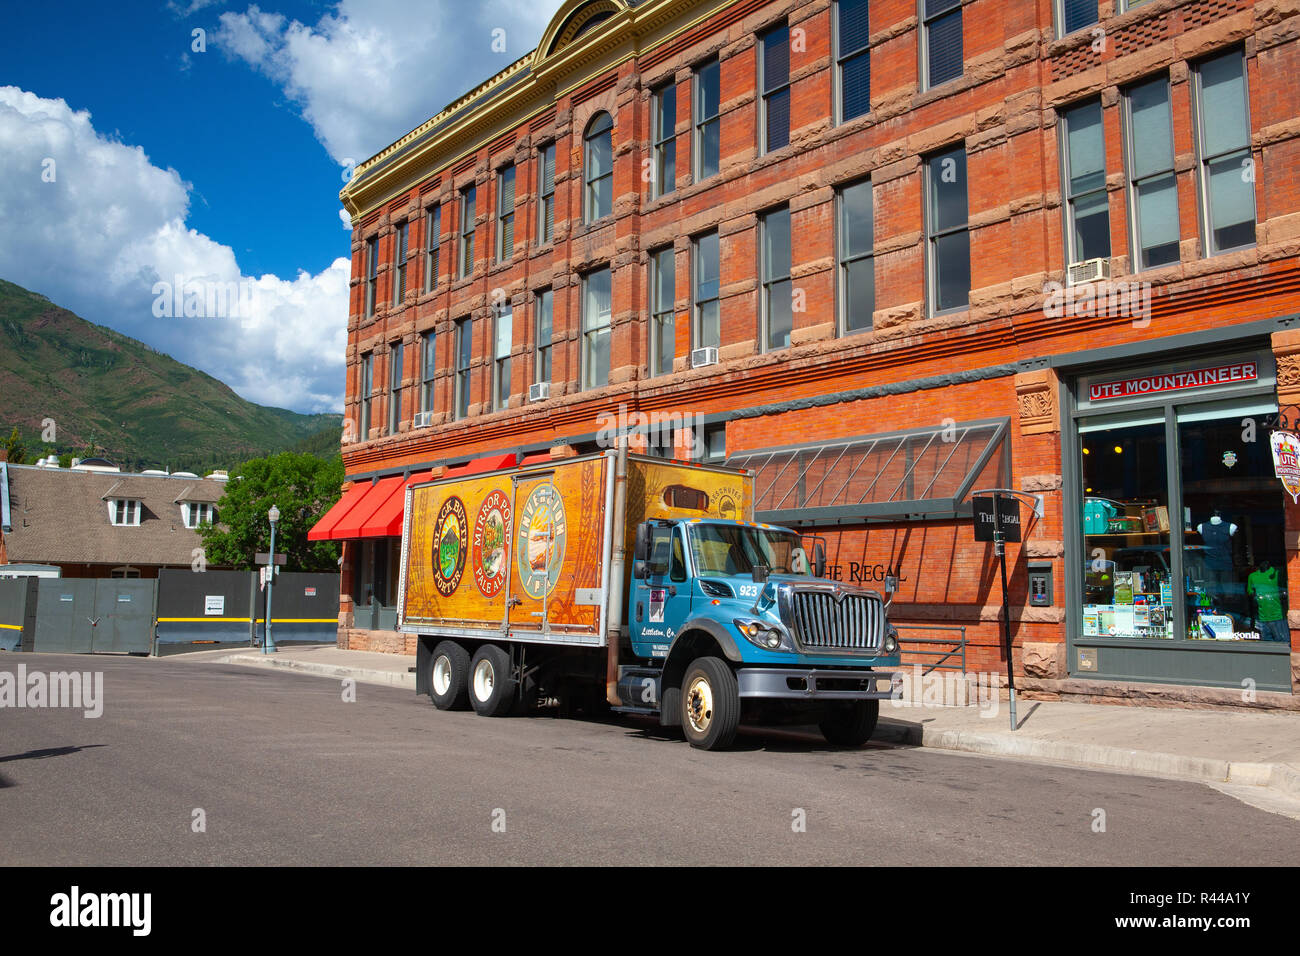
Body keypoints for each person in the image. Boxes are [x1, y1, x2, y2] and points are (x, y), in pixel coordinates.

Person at [1247, 561, 1288, 642]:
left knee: (1283, 642)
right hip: (1262, 618)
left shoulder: (1277, 573)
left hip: (1278, 616)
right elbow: (1250, 592)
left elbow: (1285, 591)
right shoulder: (1253, 576)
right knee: (1267, 643)